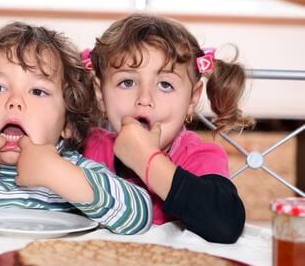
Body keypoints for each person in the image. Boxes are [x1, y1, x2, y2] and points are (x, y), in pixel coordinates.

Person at [0, 22, 152, 234]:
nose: (15, 101)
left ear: (67, 123)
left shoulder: (76, 170)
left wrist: (57, 173)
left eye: (38, 91)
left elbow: (139, 216)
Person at [82, 13, 254, 243]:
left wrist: (146, 160)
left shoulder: (198, 157)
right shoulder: (87, 146)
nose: (144, 98)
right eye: (127, 82)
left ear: (192, 99)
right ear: (100, 94)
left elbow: (226, 223)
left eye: (165, 85)